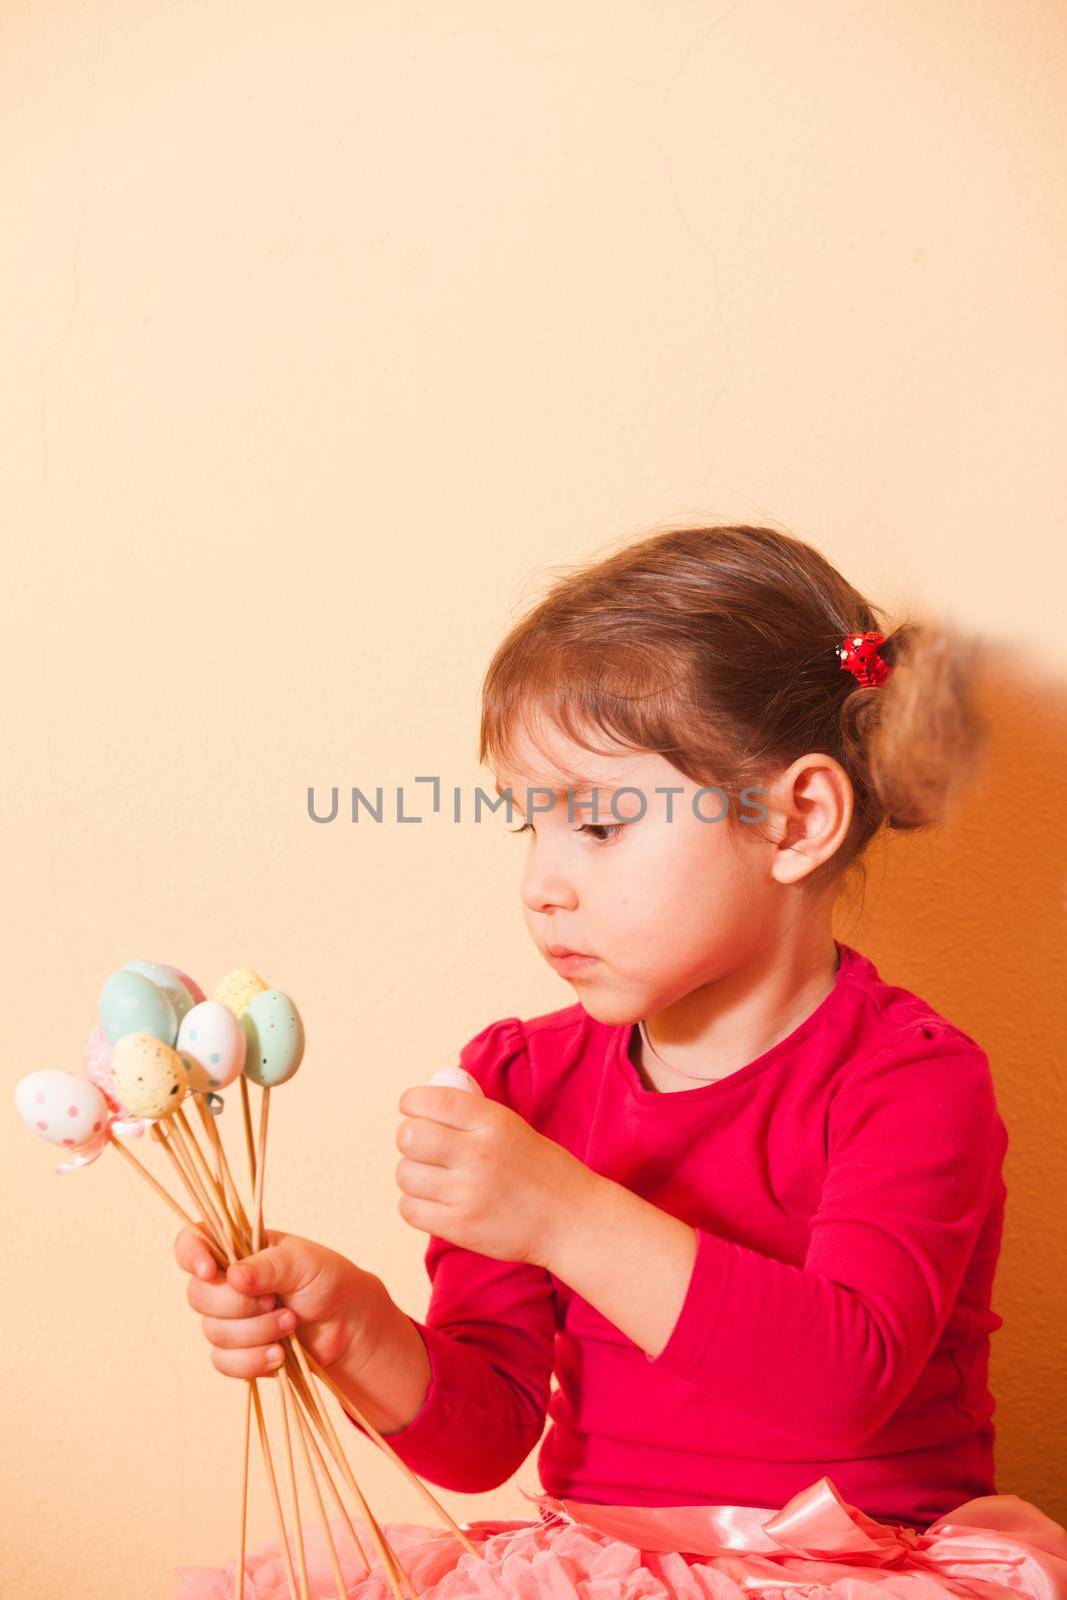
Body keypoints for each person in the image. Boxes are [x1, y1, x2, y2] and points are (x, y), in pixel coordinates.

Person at [172, 526, 1067, 1600]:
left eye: (596, 825)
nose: (541, 884)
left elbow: (841, 1383)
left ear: (795, 818)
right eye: (527, 825)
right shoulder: (523, 1085)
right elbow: (482, 1439)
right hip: (600, 1572)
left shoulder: (910, 1081)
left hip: (850, 1567)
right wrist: (355, 1324)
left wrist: (561, 1214)